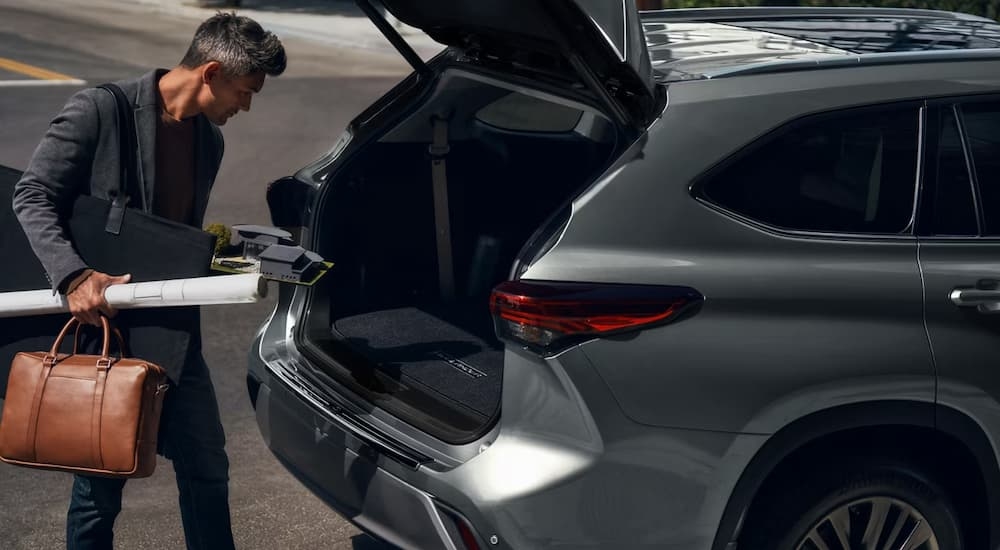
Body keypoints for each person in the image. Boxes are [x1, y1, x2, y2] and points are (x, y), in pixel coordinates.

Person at [12, 12, 286, 550]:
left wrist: (221, 254)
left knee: (207, 466)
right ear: (210, 72)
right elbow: (32, 196)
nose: (246, 105)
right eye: (244, 91)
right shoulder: (100, 111)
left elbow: (166, 228)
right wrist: (72, 275)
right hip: (108, 332)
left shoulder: (209, 140)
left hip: (174, 332)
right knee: (101, 486)